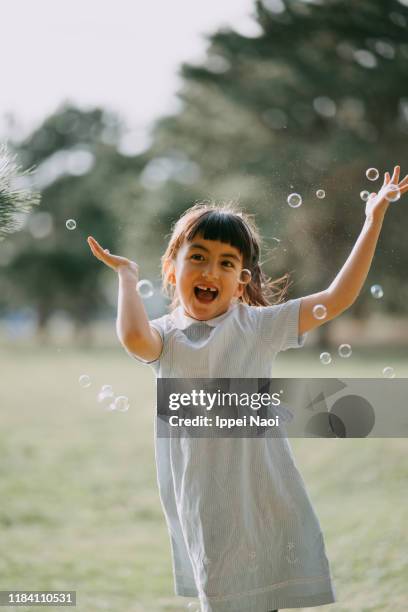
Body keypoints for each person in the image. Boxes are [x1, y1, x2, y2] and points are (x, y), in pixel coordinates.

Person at [87, 166, 407, 612]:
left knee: (263, 600)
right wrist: (126, 277)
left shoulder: (257, 327)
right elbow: (135, 339)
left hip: (262, 497)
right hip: (206, 503)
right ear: (171, 268)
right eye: (197, 256)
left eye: (226, 262)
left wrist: (372, 220)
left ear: (242, 280)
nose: (210, 270)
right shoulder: (165, 336)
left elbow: (336, 298)